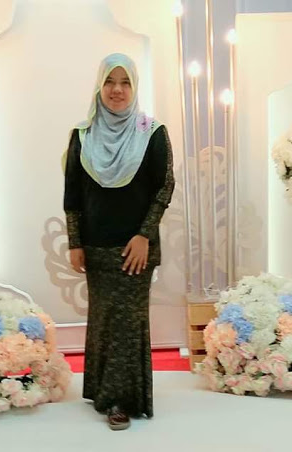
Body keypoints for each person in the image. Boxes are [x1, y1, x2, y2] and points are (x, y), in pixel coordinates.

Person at [63, 53, 175, 431]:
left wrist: (144, 235)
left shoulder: (151, 133)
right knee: (103, 321)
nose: (117, 90)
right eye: (110, 81)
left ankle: (121, 401)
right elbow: (73, 194)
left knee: (128, 324)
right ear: (100, 85)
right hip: (96, 246)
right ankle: (102, 390)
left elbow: (164, 188)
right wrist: (75, 242)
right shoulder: (83, 135)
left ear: (135, 87)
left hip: (135, 249)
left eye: (125, 82)